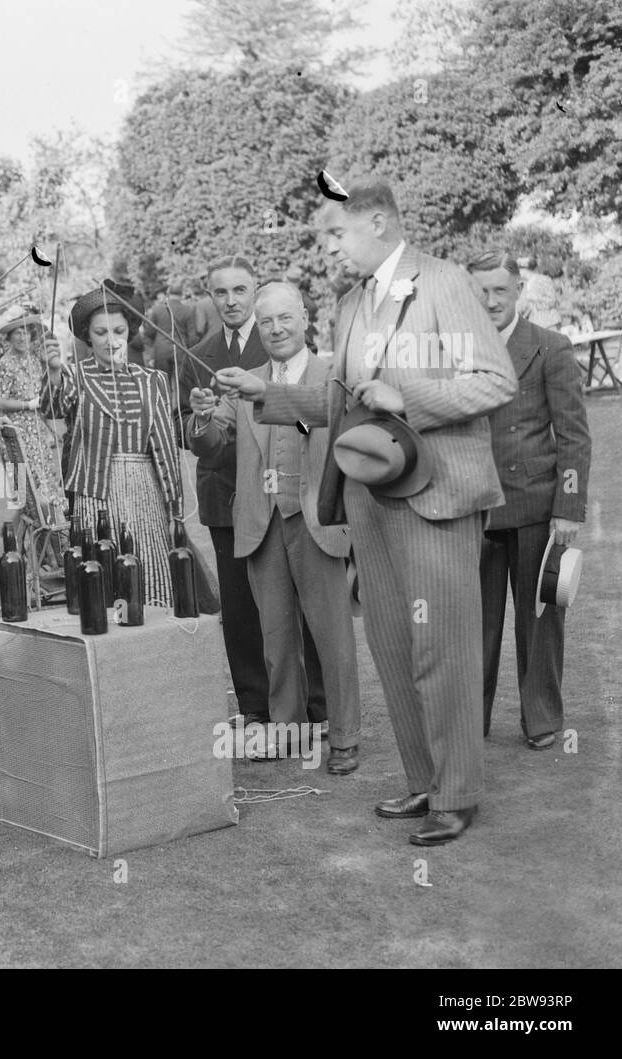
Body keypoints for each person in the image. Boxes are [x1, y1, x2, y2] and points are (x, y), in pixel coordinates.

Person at [216, 177, 517, 846]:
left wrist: (405, 392)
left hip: (438, 497)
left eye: (338, 232)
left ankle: (458, 791)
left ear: (378, 222)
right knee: (390, 643)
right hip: (369, 500)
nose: (331, 245)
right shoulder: (349, 305)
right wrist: (262, 391)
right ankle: (423, 780)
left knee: (443, 645)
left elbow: (496, 379)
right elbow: (342, 405)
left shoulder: (444, 282)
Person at [187, 282, 361, 772]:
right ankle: (288, 733)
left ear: (305, 319)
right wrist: (201, 419)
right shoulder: (246, 381)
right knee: (276, 637)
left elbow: (325, 420)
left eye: (285, 318)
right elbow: (212, 446)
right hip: (261, 523)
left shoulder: (333, 376)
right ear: (257, 329)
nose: (277, 328)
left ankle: (345, 735)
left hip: (318, 521)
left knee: (333, 637)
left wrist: (267, 393)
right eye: (267, 322)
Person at [178, 257, 327, 732]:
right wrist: (202, 416)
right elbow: (192, 433)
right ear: (210, 295)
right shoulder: (195, 353)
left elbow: (314, 418)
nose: (231, 301)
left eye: (240, 290)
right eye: (220, 293)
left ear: (255, 291)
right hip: (228, 493)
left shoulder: (287, 345)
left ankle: (319, 706)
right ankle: (257, 708)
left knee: (304, 602)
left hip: (290, 491)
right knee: (241, 608)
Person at [468, 249, 591, 749]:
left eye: (500, 289)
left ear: (518, 290)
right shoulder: (454, 351)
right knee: (472, 625)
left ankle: (541, 719)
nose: (491, 299)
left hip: (535, 508)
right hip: (472, 508)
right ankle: (468, 721)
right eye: (481, 291)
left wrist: (568, 508)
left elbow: (574, 437)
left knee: (540, 620)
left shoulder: (549, 347)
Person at [44, 281, 211, 608]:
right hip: (95, 495)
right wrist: (52, 373)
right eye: (101, 332)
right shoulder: (75, 377)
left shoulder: (153, 381)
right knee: (101, 581)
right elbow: (53, 408)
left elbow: (164, 444)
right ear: (87, 336)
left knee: (150, 583)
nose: (110, 339)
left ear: (130, 331)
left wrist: (174, 506)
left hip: (143, 491)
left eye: (118, 330)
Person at [0, 308, 67, 544]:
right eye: (17, 333)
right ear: (9, 337)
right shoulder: (3, 366)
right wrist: (27, 404)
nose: (23, 338)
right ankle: (38, 544)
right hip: (17, 435)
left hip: (39, 434)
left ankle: (16, 536)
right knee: (30, 492)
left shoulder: (36, 361)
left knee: (43, 491)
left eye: (26, 333)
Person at [144, 283, 207, 379]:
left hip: (161, 350)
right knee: (180, 383)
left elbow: (149, 332)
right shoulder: (187, 310)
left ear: (168, 293)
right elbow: (192, 336)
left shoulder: (157, 309)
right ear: (181, 294)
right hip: (180, 350)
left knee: (162, 382)